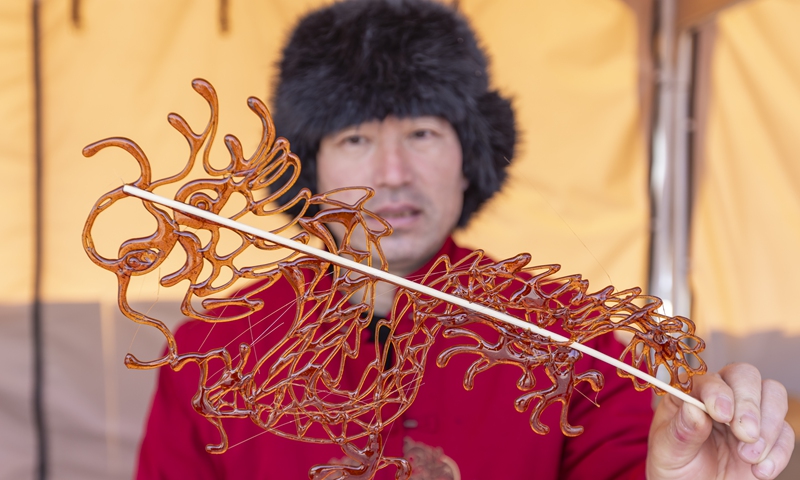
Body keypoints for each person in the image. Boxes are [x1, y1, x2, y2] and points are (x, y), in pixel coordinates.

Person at [136, 1, 795, 478]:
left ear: (470, 157)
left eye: (423, 133)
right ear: (308, 171)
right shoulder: (213, 350)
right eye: (356, 139)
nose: (393, 174)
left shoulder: (570, 339)